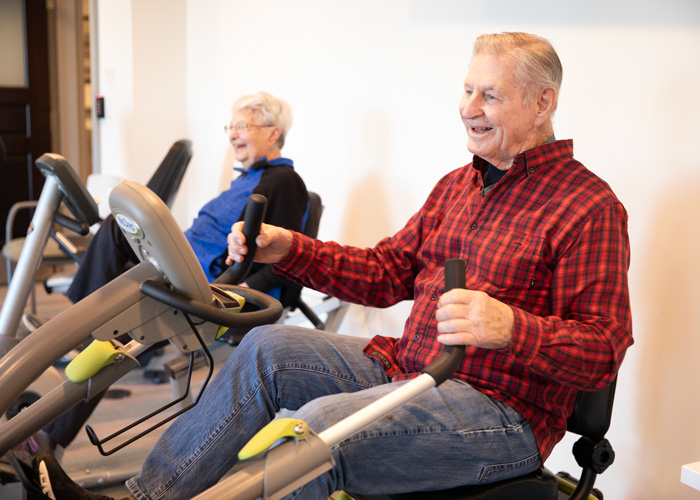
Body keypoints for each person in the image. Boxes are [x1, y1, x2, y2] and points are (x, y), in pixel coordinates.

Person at [36, 32, 633, 500]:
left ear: (543, 102)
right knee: (269, 351)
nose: (467, 108)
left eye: (490, 95)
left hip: (500, 415)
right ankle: (148, 497)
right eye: (467, 89)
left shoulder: (588, 206)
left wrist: (510, 327)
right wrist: (288, 248)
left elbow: (604, 346)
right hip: (410, 370)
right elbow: (386, 271)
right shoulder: (458, 185)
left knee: (314, 432)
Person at [32, 90, 309, 459]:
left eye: (243, 126)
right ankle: (76, 327)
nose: (232, 134)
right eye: (231, 125)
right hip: (179, 265)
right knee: (119, 225)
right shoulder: (247, 178)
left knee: (116, 339)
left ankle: (50, 435)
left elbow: (285, 264)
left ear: (274, 132)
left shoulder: (283, 182)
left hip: (202, 286)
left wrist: (243, 288)